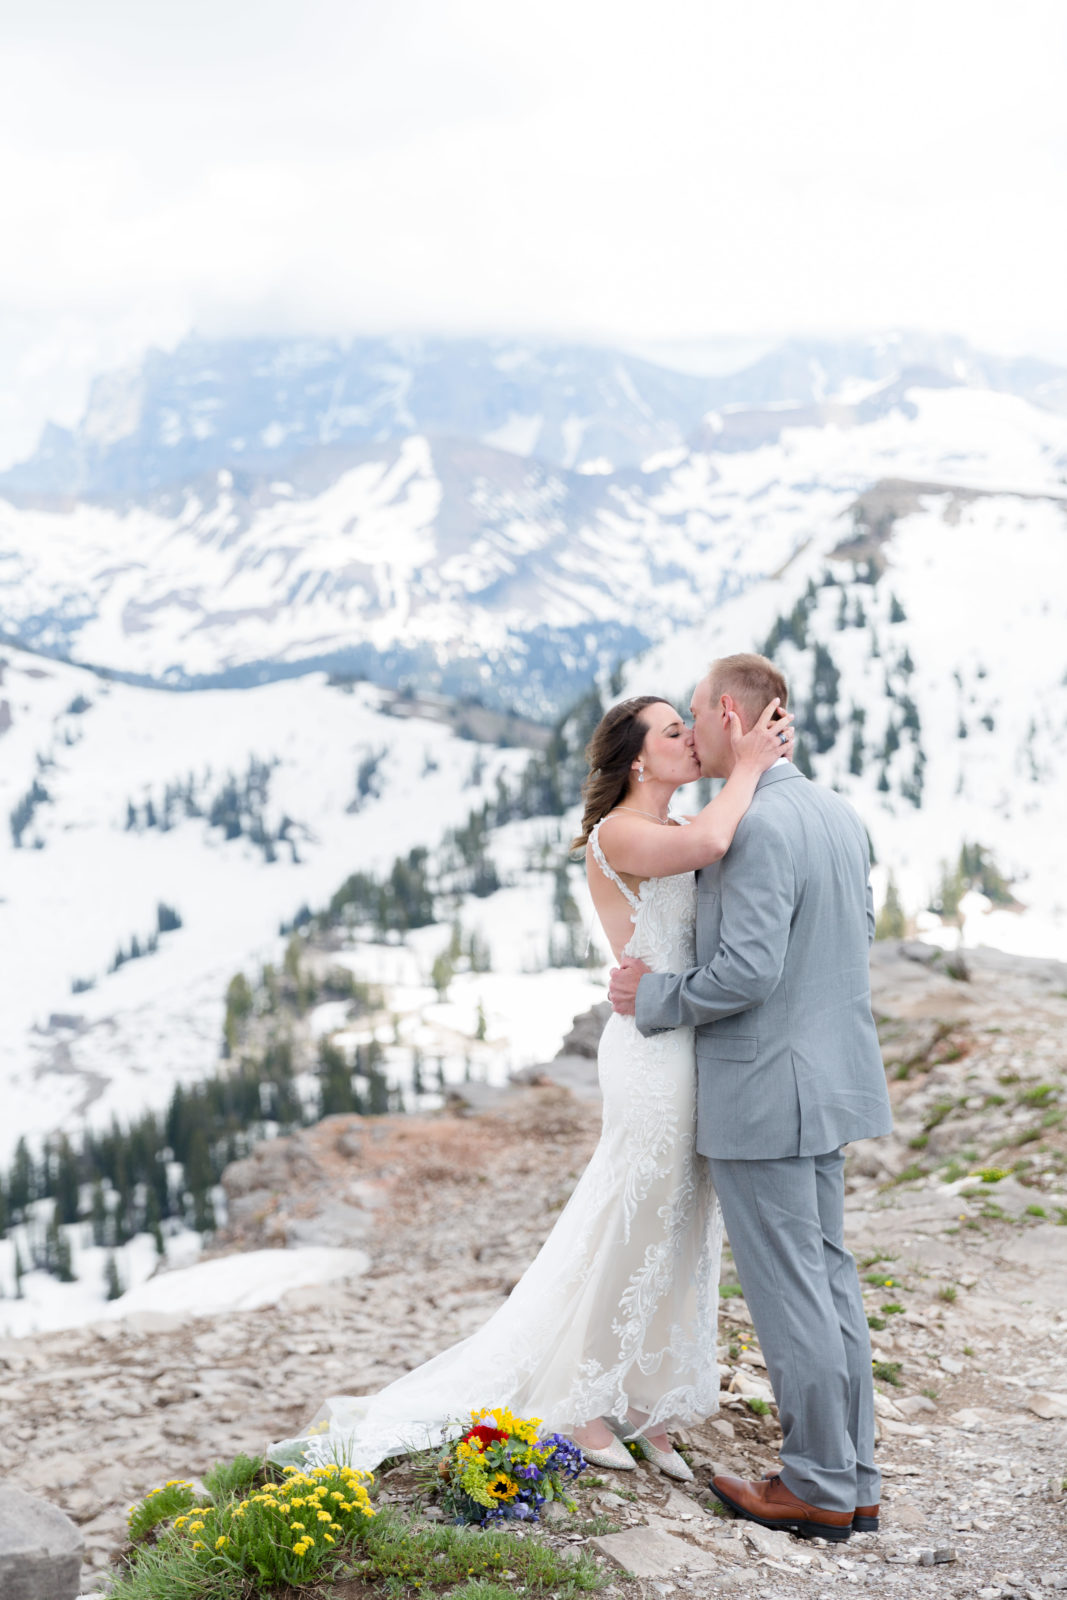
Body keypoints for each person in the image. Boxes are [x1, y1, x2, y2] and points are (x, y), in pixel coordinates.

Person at [268, 689, 791, 1482]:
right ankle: (580, 1401)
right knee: (633, 1214)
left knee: (680, 1218)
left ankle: (645, 1399)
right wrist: (749, 764)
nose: (690, 741)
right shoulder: (622, 831)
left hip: (688, 1041)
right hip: (649, 1053)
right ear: (637, 757)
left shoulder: (675, 826)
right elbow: (717, 846)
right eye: (675, 732)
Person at [609, 652, 893, 1542]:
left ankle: (813, 1486)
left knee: (790, 1293)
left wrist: (649, 998)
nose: (691, 734)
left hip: (769, 1093)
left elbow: (746, 972)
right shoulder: (837, 814)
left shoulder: (759, 825)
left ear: (731, 713)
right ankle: (855, 1475)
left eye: (697, 715)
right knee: (831, 1281)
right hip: (832, 1081)